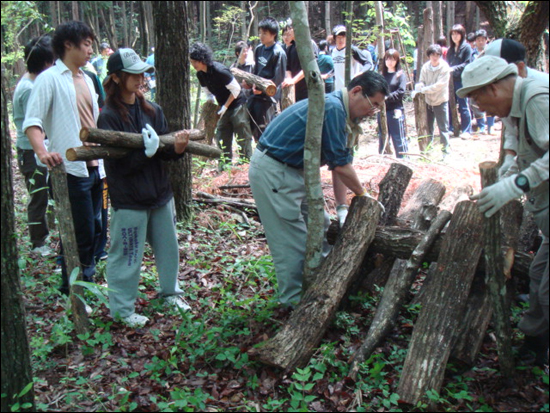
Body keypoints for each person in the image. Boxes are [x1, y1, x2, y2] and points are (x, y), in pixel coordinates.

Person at [249, 71, 389, 307]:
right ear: (356, 92)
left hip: (295, 173)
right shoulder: (333, 108)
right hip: (275, 171)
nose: (371, 112)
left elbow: (341, 163)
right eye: (372, 104)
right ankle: (295, 304)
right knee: (291, 243)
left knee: (321, 226)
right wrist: (364, 196)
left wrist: (343, 207)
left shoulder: (343, 113)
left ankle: (321, 291)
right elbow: (340, 165)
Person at [458, 55, 548, 367]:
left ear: (494, 88)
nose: (479, 108)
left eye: (477, 99)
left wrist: (516, 184)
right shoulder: (516, 102)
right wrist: (511, 163)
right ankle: (536, 347)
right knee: (538, 275)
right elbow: (516, 134)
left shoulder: (537, 98)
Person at [98, 48, 191, 328]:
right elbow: (118, 166)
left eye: (141, 73)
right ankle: (123, 311)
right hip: (129, 200)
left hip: (159, 194)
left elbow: (163, 152)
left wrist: (176, 150)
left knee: (168, 247)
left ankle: (170, 293)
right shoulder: (109, 117)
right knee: (127, 254)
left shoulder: (151, 109)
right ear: (116, 77)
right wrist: (144, 154)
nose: (140, 78)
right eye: (133, 74)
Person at [24, 21, 105, 295]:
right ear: (68, 45)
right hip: (70, 169)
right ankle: (75, 289)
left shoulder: (88, 78)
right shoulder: (49, 79)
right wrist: (42, 152)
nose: (89, 49)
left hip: (96, 167)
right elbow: (33, 121)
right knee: (80, 232)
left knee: (97, 229)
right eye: (86, 43)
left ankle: (85, 280)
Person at [13, 36, 55, 257]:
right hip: (31, 151)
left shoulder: (31, 82)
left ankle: (46, 232)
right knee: (38, 194)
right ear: (47, 63)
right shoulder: (30, 89)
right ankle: (38, 242)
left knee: (45, 191)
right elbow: (35, 124)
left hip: (36, 149)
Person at [484, 38, 549, 180]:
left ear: (519, 68)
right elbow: (512, 129)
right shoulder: (508, 91)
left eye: (498, 76)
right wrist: (509, 157)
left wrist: (514, 187)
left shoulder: (541, 94)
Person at [190, 42, 253, 168]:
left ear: (201, 59)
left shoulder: (219, 70)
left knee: (241, 133)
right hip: (222, 108)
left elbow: (236, 90)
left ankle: (246, 165)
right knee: (222, 135)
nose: (192, 64)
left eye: (194, 61)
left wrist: (225, 106)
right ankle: (224, 166)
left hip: (237, 105)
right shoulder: (200, 75)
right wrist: (211, 104)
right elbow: (208, 92)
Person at [245, 17, 287, 141]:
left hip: (268, 98)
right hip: (255, 94)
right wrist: (252, 84)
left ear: (273, 34)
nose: (261, 36)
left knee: (264, 128)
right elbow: (255, 71)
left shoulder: (278, 53)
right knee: (250, 125)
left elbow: (278, 78)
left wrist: (263, 89)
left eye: (265, 33)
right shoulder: (259, 49)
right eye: (260, 33)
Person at [415, 44, 452, 157]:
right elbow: (422, 80)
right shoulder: (426, 67)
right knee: (428, 128)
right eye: (432, 55)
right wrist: (420, 86)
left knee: (443, 128)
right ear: (429, 56)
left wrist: (424, 90)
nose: (435, 57)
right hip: (428, 102)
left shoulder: (444, 67)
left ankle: (445, 152)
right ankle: (428, 152)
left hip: (441, 101)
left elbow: (439, 85)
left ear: (440, 56)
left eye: (437, 55)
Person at [378, 49, 407, 158]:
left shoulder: (400, 75)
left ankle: (403, 158)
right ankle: (383, 158)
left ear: (397, 61)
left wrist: (387, 97)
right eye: (388, 59)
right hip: (382, 110)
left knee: (398, 136)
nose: (390, 62)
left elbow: (401, 92)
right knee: (382, 136)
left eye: (393, 59)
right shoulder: (381, 75)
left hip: (395, 109)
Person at [281, 20, 319, 102]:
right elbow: (288, 67)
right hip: (295, 90)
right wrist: (289, 79)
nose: (288, 31)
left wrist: (293, 80)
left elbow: (310, 67)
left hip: (309, 89)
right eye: (287, 29)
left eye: (290, 28)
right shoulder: (290, 47)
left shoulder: (309, 44)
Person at [446, 24, 473, 139]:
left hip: (462, 81)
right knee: (450, 104)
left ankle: (467, 130)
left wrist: (454, 69)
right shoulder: (450, 50)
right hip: (451, 81)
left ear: (462, 35)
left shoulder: (466, 48)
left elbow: (468, 63)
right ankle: (451, 128)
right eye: (452, 34)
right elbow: (447, 64)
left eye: (457, 33)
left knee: (463, 105)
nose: (454, 36)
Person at [331, 25, 373, 92]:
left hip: (351, 88)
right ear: (335, 38)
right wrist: (327, 75)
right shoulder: (333, 51)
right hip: (338, 89)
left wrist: (360, 73)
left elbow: (368, 64)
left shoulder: (351, 50)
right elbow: (335, 67)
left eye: (344, 37)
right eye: (339, 37)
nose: (341, 40)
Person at [470, 29, 494, 135]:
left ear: (486, 40)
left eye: (483, 39)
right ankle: (481, 126)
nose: (480, 42)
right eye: (478, 39)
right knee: (475, 104)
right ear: (475, 41)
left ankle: (491, 126)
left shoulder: (491, 52)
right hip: (476, 82)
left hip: (489, 81)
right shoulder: (472, 54)